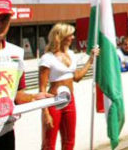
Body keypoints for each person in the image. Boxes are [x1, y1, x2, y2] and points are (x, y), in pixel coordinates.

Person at [0, 0, 52, 150]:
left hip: (6, 136)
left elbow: (17, 94)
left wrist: (33, 98)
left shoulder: (16, 53)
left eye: (4, 19)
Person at [38, 22, 98, 150]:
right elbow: (42, 88)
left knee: (69, 141)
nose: (73, 37)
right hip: (53, 102)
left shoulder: (71, 54)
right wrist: (45, 112)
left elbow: (77, 77)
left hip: (69, 101)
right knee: (49, 144)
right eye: (70, 35)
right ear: (61, 36)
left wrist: (91, 60)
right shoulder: (47, 58)